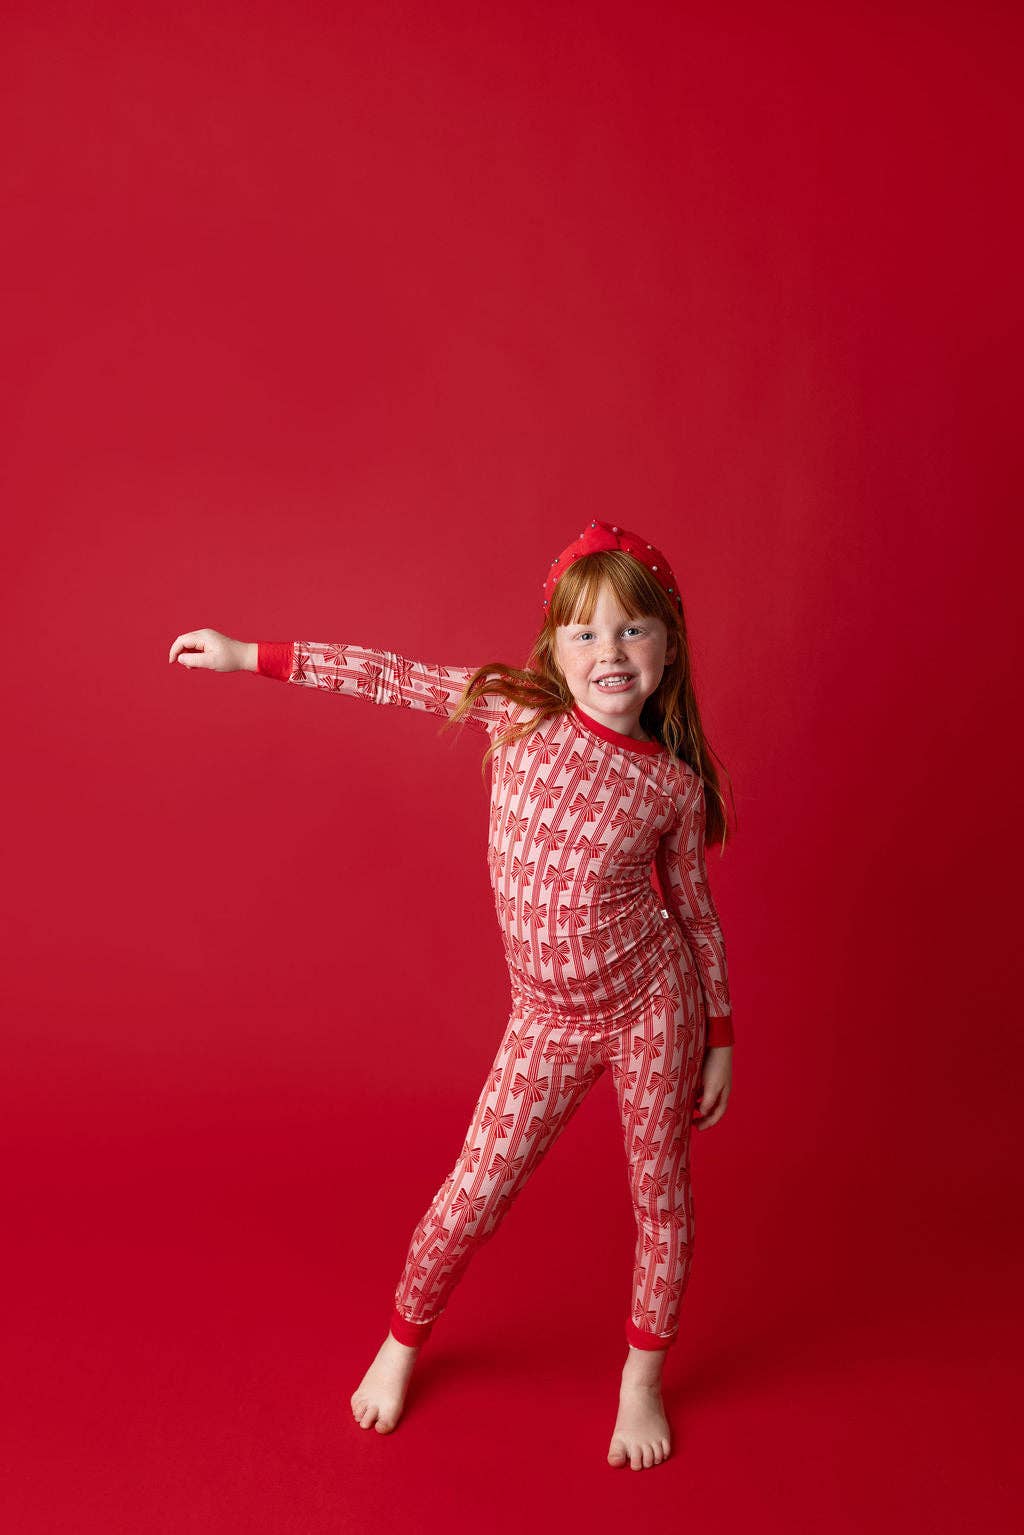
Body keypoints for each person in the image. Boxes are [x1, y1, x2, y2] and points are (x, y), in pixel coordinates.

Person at [167, 518, 735, 1471]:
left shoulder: (671, 786)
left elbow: (697, 913)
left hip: (654, 1005)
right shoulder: (513, 710)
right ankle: (401, 1341)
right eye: (587, 631)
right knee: (472, 1192)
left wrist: (718, 1032)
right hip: (546, 1021)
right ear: (553, 645)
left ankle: (641, 1383)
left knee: (660, 1199)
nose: (611, 651)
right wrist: (247, 654)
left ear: (668, 645)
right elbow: (385, 674)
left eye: (633, 629)